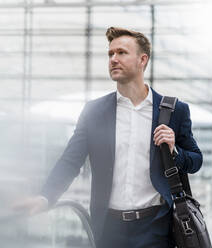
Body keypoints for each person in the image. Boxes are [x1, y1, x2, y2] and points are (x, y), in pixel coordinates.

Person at [15, 27, 202, 248]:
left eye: (122, 53)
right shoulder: (94, 112)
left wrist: (174, 151)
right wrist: (46, 197)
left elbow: (195, 161)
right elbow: (71, 160)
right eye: (110, 54)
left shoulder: (173, 111)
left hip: (156, 228)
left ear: (143, 60)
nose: (113, 59)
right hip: (108, 229)